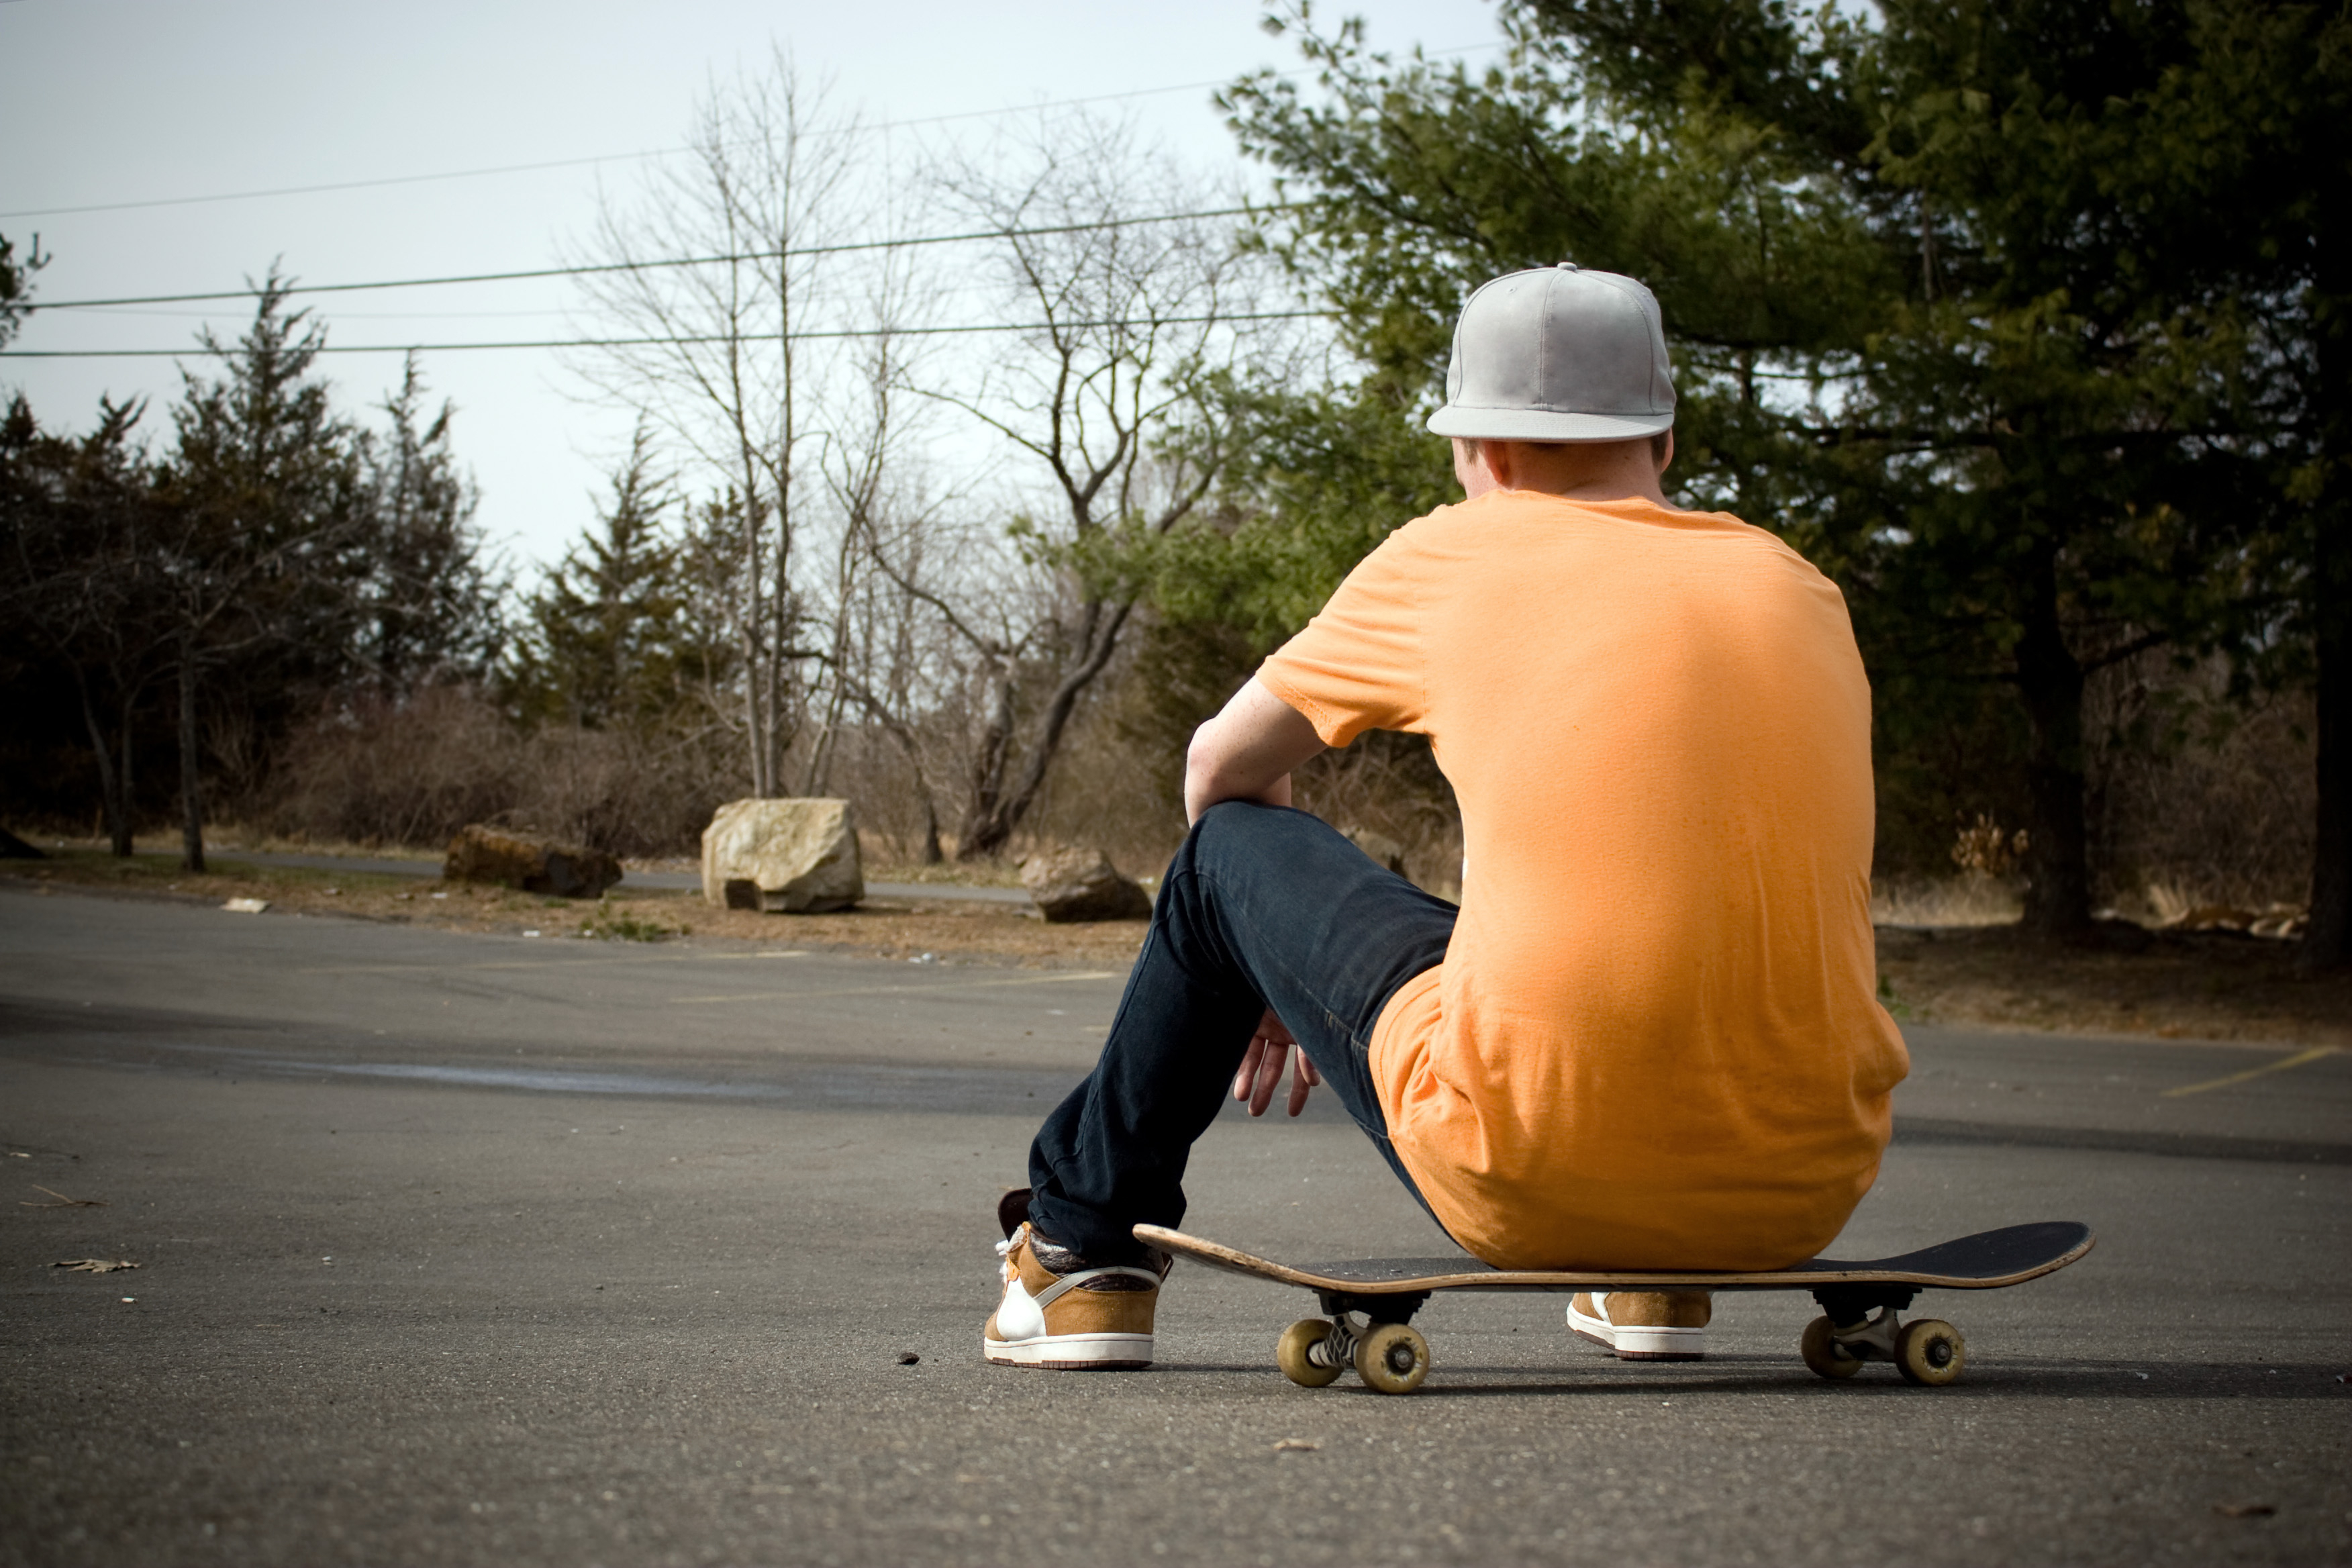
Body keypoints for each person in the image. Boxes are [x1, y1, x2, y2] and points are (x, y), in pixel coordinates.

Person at [983, 262, 1910, 1370]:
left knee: (1227, 845)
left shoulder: (1451, 553)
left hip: (1528, 1167)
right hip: (1803, 1185)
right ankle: (1651, 1282)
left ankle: (1083, 1252)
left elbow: (1219, 765)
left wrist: (1268, 977)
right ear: (1664, 440)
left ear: (1484, 450)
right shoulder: (1800, 588)